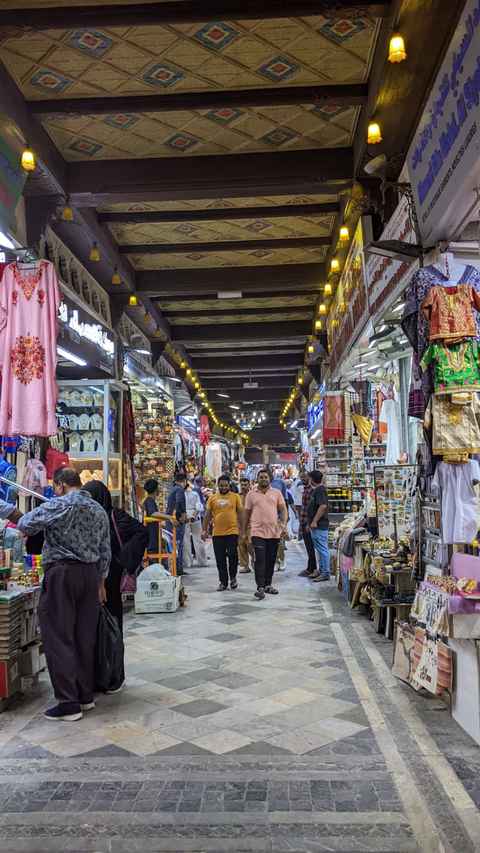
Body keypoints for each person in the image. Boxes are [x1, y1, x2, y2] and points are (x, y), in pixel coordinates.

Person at [17, 468, 111, 722]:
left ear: (59, 485)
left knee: (59, 636)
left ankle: (68, 703)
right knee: (84, 637)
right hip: (91, 576)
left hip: (62, 575)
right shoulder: (98, 510)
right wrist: (101, 581)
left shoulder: (59, 504)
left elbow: (25, 523)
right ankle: (84, 696)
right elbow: (105, 550)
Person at [83, 480, 148, 689]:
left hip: (109, 581)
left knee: (111, 628)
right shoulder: (85, 517)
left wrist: (123, 560)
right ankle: (96, 677)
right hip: (91, 581)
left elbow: (142, 532)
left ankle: (113, 677)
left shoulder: (115, 516)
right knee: (93, 630)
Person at [243, 468, 288, 601]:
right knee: (260, 559)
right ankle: (260, 587)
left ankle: (268, 584)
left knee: (271, 560)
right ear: (257, 479)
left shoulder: (277, 493)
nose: (263, 479)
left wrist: (283, 525)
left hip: (274, 532)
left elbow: (283, 510)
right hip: (257, 532)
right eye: (261, 477)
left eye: (265, 477)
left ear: (270, 479)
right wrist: (244, 531)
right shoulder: (251, 494)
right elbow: (246, 513)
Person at [202, 474, 243, 591]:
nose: (223, 487)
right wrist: (204, 530)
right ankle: (223, 582)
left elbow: (240, 513)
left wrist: (242, 528)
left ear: (229, 485)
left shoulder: (235, 497)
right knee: (220, 559)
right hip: (217, 534)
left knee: (233, 555)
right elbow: (207, 515)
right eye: (221, 485)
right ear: (218, 486)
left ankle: (233, 577)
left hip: (232, 532)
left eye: (225, 485)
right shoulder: (212, 498)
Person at [306, 470, 330, 582]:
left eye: (309, 478)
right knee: (320, 549)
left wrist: (314, 521)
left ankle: (325, 572)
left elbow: (323, 506)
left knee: (322, 549)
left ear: (312, 479)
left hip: (320, 525)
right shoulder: (317, 490)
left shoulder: (320, 490)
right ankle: (321, 570)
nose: (308, 480)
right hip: (316, 526)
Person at [166, 473, 187, 575]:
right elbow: (179, 503)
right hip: (176, 521)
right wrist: (182, 515)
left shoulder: (172, 489)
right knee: (178, 544)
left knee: (173, 544)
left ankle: (176, 568)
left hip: (170, 521)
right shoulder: (179, 489)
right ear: (184, 481)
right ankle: (178, 569)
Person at [298, 472, 318, 578]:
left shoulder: (312, 490)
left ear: (309, 477)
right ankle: (310, 567)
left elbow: (312, 509)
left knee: (310, 547)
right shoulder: (305, 489)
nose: (302, 479)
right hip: (303, 521)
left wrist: (309, 523)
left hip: (308, 523)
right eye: (301, 477)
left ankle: (313, 568)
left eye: (304, 477)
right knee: (308, 546)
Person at [183, 481, 207, 569]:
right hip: (195, 517)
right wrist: (194, 515)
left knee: (186, 540)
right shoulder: (195, 494)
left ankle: (188, 562)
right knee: (198, 539)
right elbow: (198, 506)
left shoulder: (181, 494)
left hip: (185, 517)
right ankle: (202, 561)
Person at [238, 477, 254, 573]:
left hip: (251, 524)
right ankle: (245, 565)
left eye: (245, 485)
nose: (243, 487)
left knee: (250, 544)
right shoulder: (237, 496)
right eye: (242, 485)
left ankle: (255, 560)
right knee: (241, 545)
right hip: (239, 524)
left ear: (249, 485)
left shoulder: (253, 496)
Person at [143, 478, 160, 556]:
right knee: (152, 554)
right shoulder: (149, 501)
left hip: (152, 532)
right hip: (151, 533)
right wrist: (168, 517)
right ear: (155, 490)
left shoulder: (149, 500)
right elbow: (153, 513)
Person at [292, 472, 308, 538]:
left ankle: (300, 535)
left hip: (298, 503)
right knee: (302, 520)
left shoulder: (297, 482)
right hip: (300, 504)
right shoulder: (300, 483)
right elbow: (303, 492)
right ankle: (301, 535)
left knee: (301, 520)